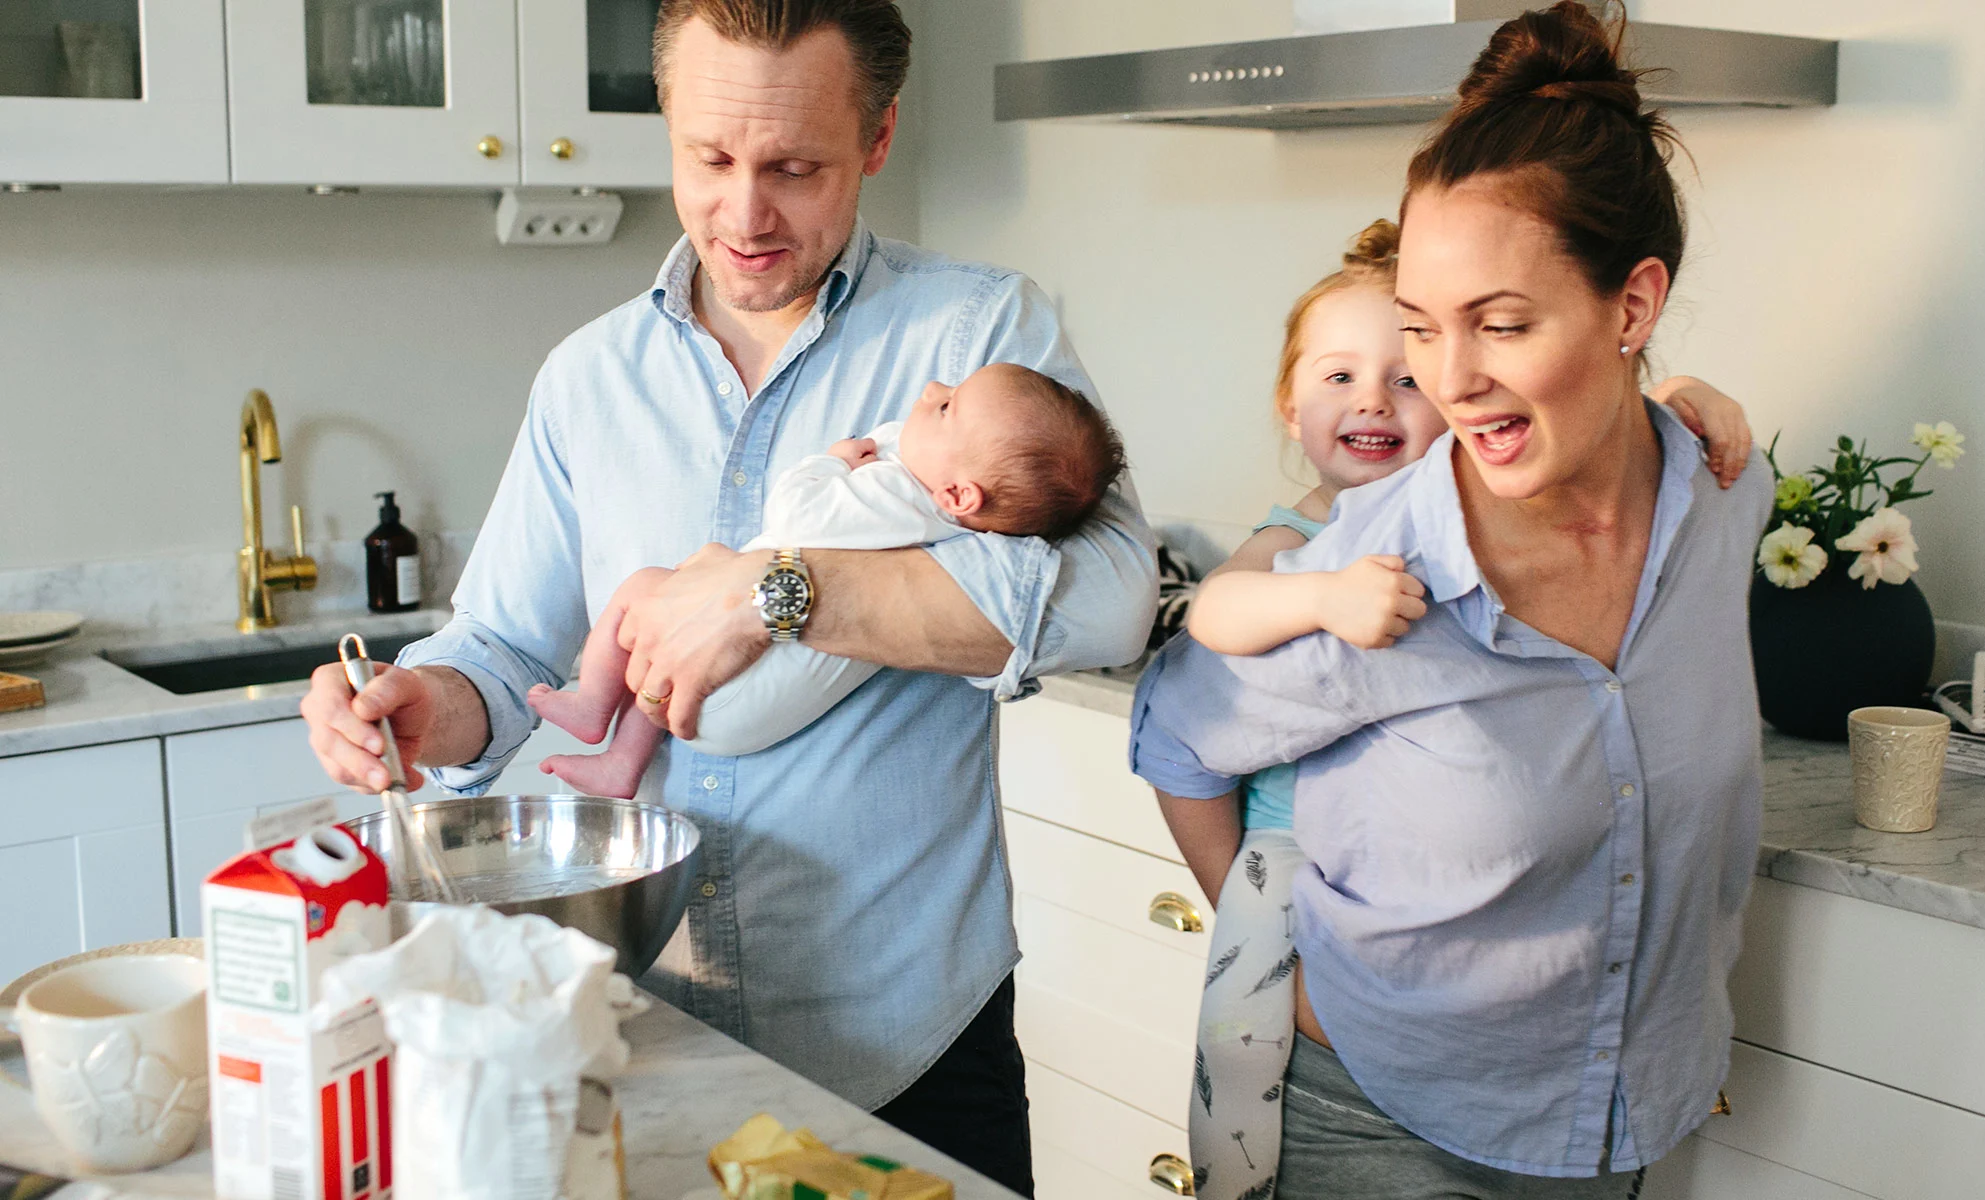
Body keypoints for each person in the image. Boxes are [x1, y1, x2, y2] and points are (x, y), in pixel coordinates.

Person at [297, 2, 1156, 1192]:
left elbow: (1113, 599)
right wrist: (415, 703)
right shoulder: (589, 377)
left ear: (879, 136)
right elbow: (500, 645)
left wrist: (778, 593)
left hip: (908, 1035)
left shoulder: (977, 337)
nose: (744, 215)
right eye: (709, 158)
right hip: (634, 1028)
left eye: (795, 167)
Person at [1133, 4, 1772, 1194]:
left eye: (1504, 324)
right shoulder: (1375, 570)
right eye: (1424, 328)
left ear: (1632, 309)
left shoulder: (1726, 497)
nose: (1452, 379)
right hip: (1387, 1123)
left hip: (1627, 1119)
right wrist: (1280, 953)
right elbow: (1177, 728)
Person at [531, 364, 1127, 798]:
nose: (929, 390)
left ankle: (592, 702)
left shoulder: (896, 493)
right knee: (670, 632)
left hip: (732, 688)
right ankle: (623, 762)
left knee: (646, 586)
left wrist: (834, 463)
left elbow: (794, 514)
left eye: (947, 407)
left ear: (958, 493)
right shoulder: (956, 529)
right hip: (738, 702)